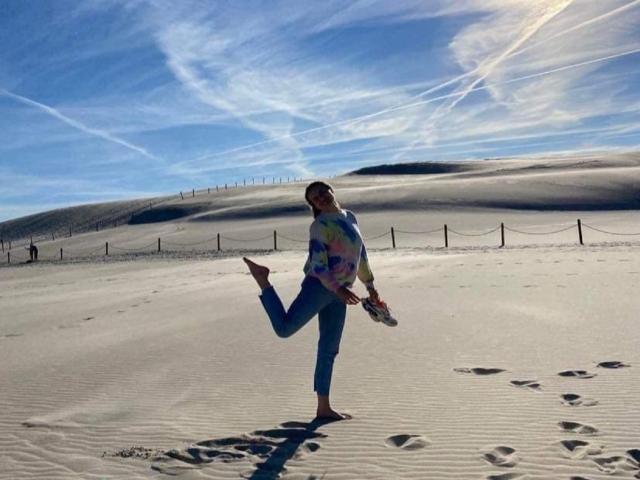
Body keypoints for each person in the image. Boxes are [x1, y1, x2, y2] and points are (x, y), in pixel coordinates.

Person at [243, 181, 379, 420]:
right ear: (314, 205)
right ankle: (263, 280)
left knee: (329, 348)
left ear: (331, 190)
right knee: (284, 329)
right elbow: (319, 265)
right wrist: (337, 289)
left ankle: (323, 408)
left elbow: (361, 254)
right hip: (320, 287)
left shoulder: (350, 217)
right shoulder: (319, 226)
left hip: (342, 291)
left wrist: (370, 286)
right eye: (315, 198)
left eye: (323, 192)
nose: (321, 198)